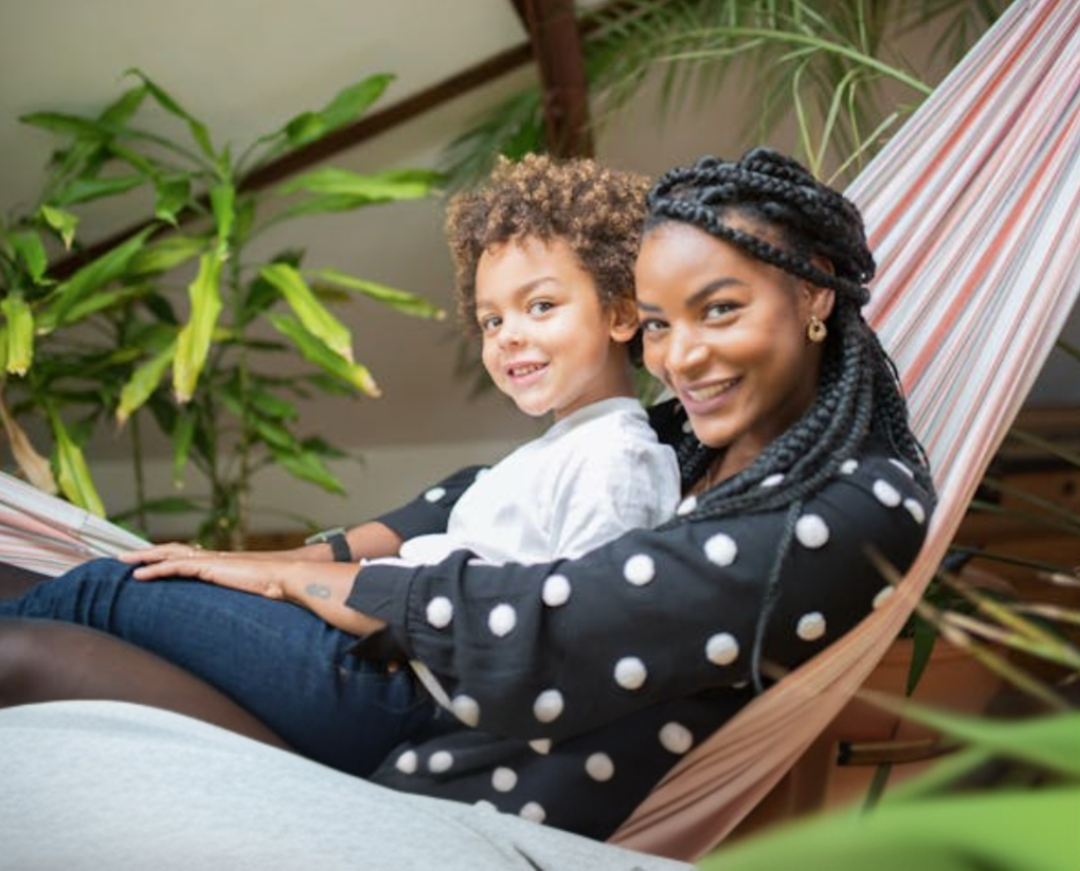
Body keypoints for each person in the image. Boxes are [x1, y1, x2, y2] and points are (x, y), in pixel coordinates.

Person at [0, 148, 934, 843]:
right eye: (659, 323)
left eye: (720, 309)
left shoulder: (857, 503)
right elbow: (454, 504)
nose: (680, 356)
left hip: (440, 785)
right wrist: (283, 562)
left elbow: (546, 627)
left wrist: (292, 584)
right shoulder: (687, 435)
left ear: (816, 298)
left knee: (81, 611)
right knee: (34, 646)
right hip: (403, 739)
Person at [0, 154, 680, 774]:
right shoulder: (555, 451)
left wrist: (292, 582)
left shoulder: (617, 459)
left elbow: (572, 639)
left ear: (620, 313)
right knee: (107, 585)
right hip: (365, 655)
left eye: (540, 306)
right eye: (492, 319)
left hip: (383, 685)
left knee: (104, 590)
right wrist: (266, 574)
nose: (509, 337)